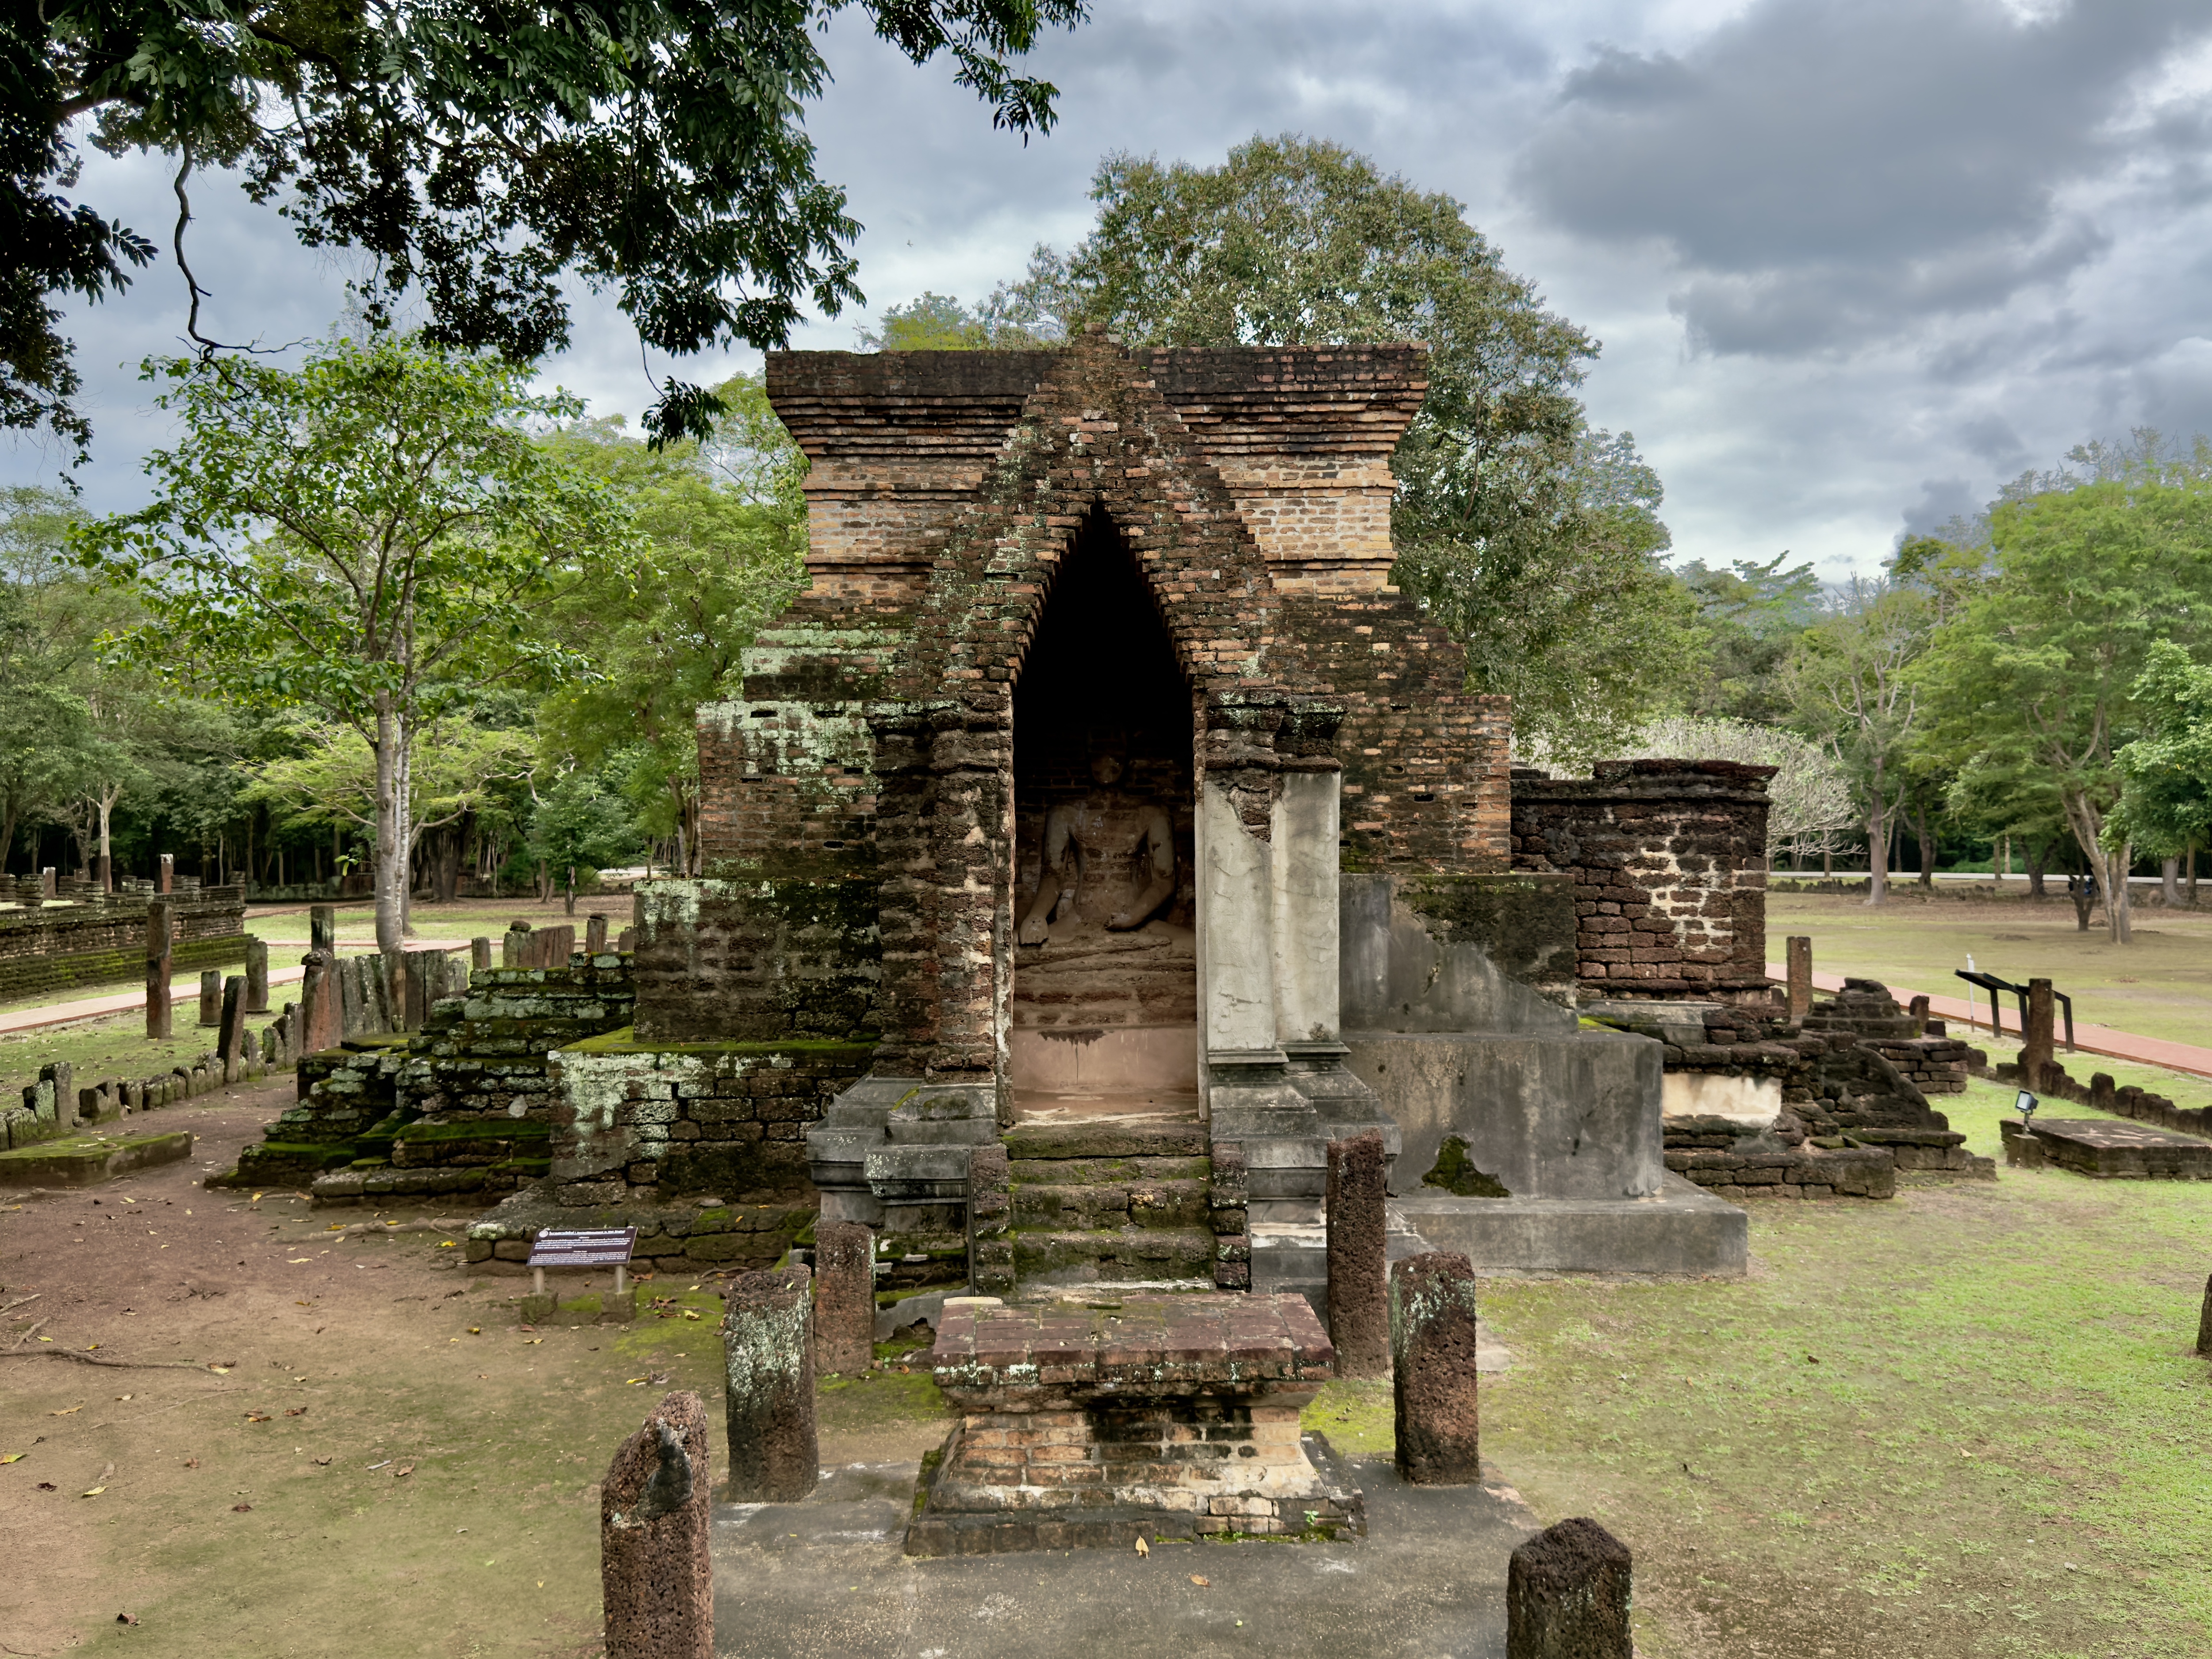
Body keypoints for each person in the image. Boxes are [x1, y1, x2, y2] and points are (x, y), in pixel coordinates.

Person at [1016, 754, 1176, 945]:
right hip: (1080, 919)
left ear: (1127, 757)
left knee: (1197, 947)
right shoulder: (1064, 813)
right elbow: (1052, 876)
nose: (1107, 760)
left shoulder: (1152, 813)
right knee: (1015, 949)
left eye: (1116, 752)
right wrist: (1037, 917)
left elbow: (1164, 881)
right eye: (1098, 750)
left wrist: (1133, 917)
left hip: (1134, 921)